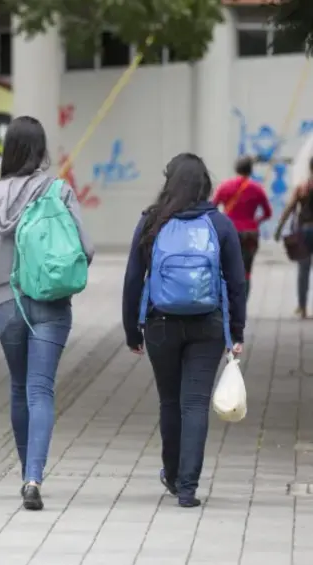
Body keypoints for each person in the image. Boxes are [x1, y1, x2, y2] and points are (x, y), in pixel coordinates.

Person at [0, 116, 95, 511]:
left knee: (20, 387)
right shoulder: (59, 190)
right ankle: (33, 478)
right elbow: (86, 249)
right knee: (42, 389)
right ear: (41, 151)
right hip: (52, 303)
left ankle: (26, 472)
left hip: (7, 303)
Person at [123, 153, 245, 508]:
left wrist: (133, 330)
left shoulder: (151, 222)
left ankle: (173, 475)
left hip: (160, 324)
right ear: (204, 184)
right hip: (207, 325)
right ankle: (189, 488)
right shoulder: (219, 224)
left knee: (170, 401)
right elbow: (236, 283)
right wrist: (235, 332)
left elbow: (133, 279)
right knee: (195, 404)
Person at [212, 156, 272, 298]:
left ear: (236, 169)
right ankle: (242, 306)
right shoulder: (257, 189)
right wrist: (255, 222)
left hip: (228, 233)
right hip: (249, 234)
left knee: (226, 268)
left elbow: (212, 208)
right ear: (250, 170)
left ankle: (227, 303)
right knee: (246, 272)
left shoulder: (225, 186)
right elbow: (268, 213)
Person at [274, 157, 313, 318]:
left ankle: (302, 307)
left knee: (303, 270)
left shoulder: (302, 188)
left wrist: (279, 230)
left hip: (304, 230)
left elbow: (289, 209)